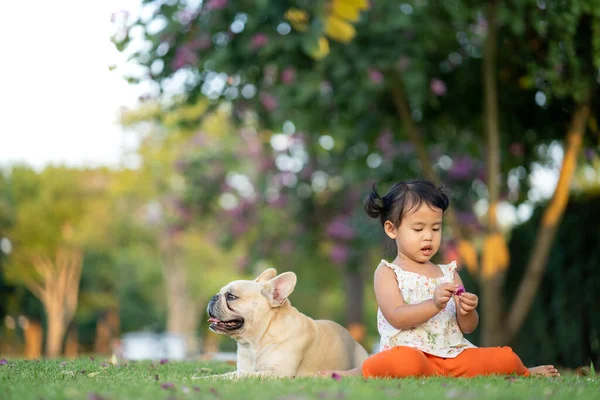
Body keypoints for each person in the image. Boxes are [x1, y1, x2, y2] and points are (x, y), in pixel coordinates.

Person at [320, 180, 559, 378]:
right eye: (418, 229)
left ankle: (525, 372)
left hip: (454, 356)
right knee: (404, 363)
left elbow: (467, 327)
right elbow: (397, 316)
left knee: (505, 357)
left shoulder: (449, 273)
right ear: (392, 229)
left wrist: (467, 310)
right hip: (412, 355)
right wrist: (434, 304)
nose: (428, 237)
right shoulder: (388, 273)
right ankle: (356, 373)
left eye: (435, 228)